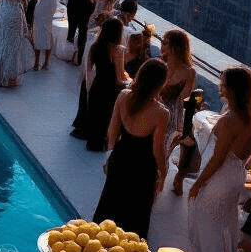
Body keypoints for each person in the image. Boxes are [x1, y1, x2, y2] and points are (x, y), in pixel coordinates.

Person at [187, 67, 251, 252]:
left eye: (223, 83)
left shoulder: (230, 120)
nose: (219, 86)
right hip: (236, 173)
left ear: (232, 89)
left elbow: (217, 160)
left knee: (209, 223)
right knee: (224, 222)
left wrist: (199, 183)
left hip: (221, 177)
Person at [93, 58, 170, 239]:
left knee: (110, 206)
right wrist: (163, 172)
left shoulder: (123, 95)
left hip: (120, 157)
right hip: (143, 167)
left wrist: (109, 156)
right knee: (136, 216)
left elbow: (112, 130)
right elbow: (157, 149)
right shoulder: (161, 112)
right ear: (161, 83)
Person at [84, 17, 126, 151]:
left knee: (95, 115)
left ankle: (92, 142)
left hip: (97, 85)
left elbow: (90, 70)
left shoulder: (94, 46)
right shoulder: (118, 50)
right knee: (107, 117)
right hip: (111, 88)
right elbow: (120, 76)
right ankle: (105, 144)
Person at [160, 29, 196, 150]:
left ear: (175, 47)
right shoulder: (161, 65)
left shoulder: (189, 72)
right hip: (156, 113)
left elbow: (184, 103)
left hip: (173, 121)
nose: (161, 45)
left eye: (165, 42)